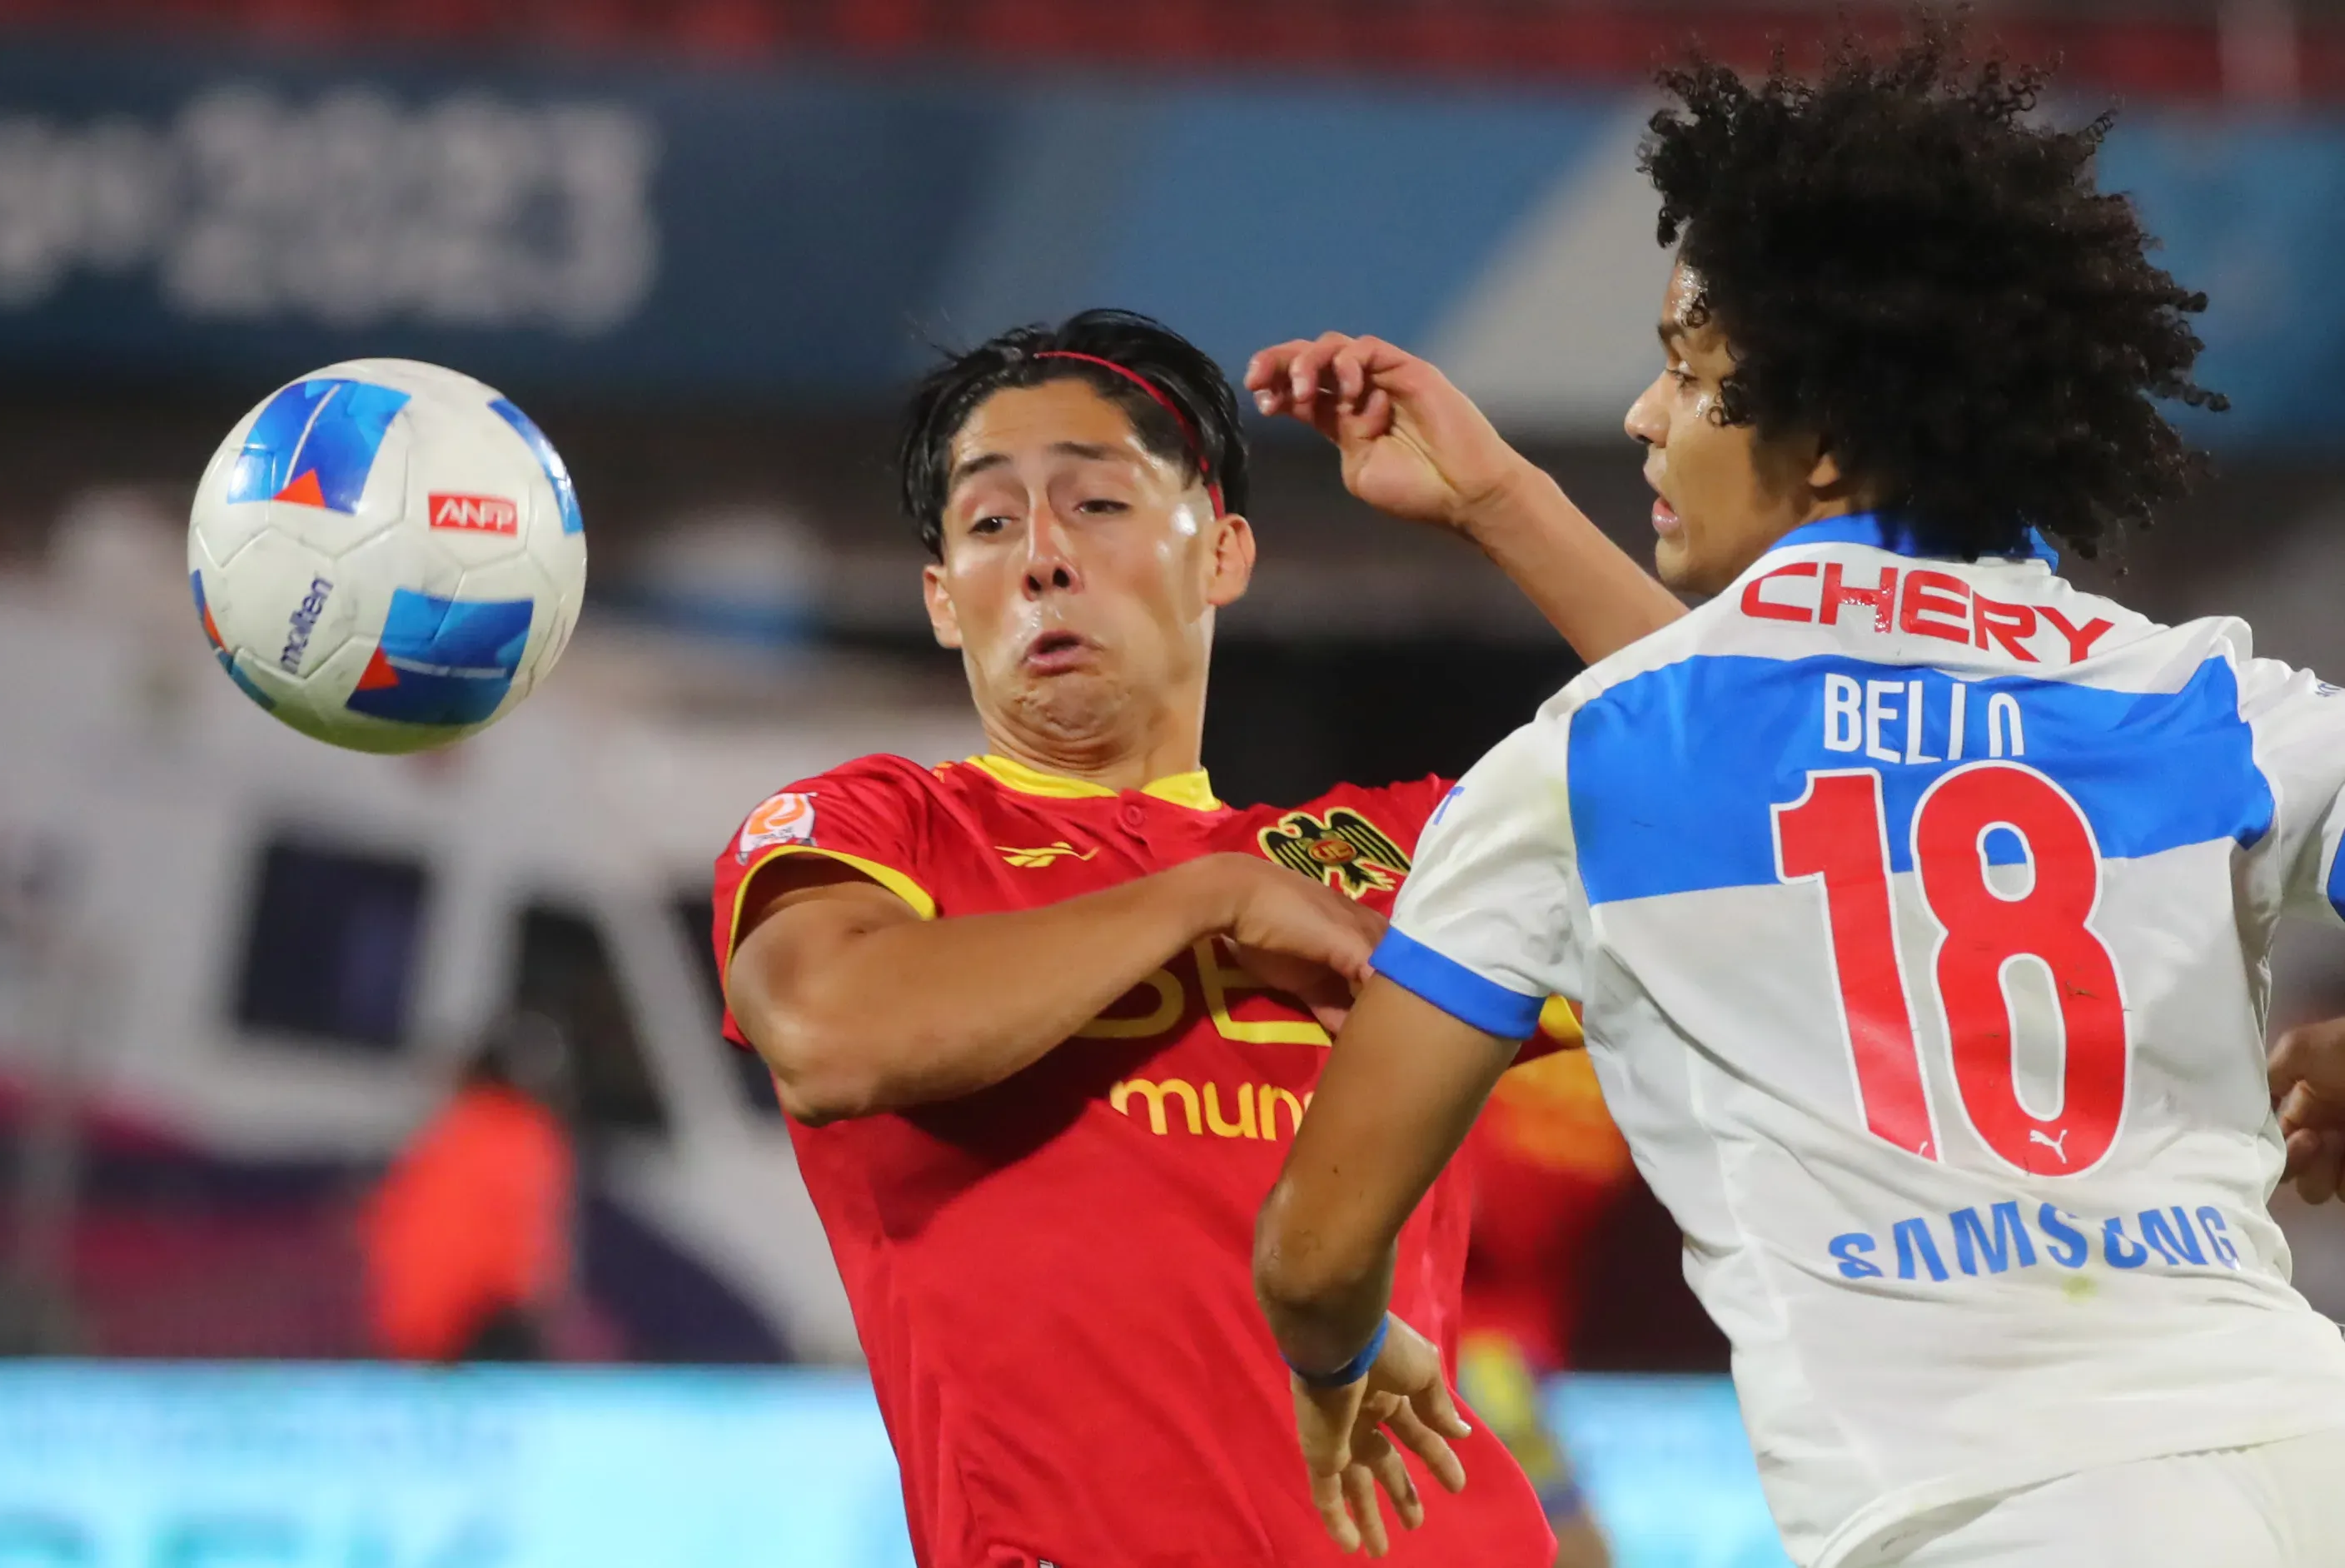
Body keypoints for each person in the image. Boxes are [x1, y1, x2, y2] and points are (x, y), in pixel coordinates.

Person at [1252, 23, 2345, 1568]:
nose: (1640, 413)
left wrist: (1339, 1362)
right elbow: (1819, 728)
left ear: (1817, 443)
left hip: (1995, 1512)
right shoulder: (2189, 693)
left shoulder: (1583, 766)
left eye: (1688, 374)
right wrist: (1502, 502)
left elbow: (1313, 1249)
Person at [712, 308, 1680, 1566]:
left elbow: (1752, 788)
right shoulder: (888, 832)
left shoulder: (1401, 852)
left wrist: (1501, 501)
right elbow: (825, 1032)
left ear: (1221, 552)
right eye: (991, 523)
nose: (1043, 557)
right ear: (945, 601)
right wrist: (1201, 902)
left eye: (1096, 505)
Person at [1456, 1041, 1635, 1567]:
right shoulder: (1613, 1072)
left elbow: (1492, 1217)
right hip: (1505, 1353)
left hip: (1479, 1354)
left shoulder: (1484, 1017)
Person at [362, 1013, 575, 1362]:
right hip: (475, 1326)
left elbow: (391, 1229)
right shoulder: (524, 1135)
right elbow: (523, 1254)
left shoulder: (449, 1130)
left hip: (414, 1328)